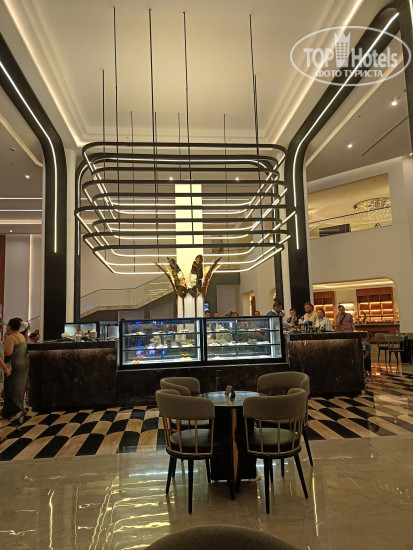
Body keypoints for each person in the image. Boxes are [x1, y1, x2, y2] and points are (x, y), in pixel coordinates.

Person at [1, 318, 30, 423]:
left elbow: (7, 353)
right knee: (19, 387)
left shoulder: (11, 337)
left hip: (14, 366)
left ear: (9, 326)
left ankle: (11, 411)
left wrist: (3, 344)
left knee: (11, 387)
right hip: (23, 365)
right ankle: (17, 408)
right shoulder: (21, 336)